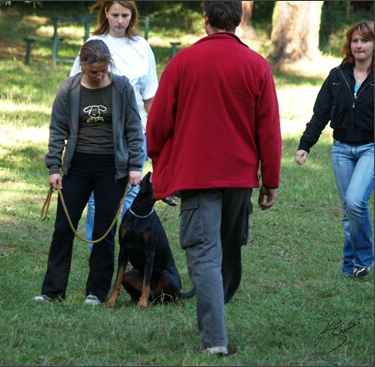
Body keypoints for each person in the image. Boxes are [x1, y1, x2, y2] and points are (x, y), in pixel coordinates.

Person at [146, 1, 281, 356]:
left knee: (207, 255)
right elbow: (269, 130)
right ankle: (216, 327)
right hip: (239, 177)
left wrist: (160, 164)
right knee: (226, 248)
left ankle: (215, 337)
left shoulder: (183, 62)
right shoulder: (257, 65)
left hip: (198, 175)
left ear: (205, 19)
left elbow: (157, 125)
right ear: (238, 19)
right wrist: (271, 180)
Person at [34, 39, 144, 306]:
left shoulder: (121, 88)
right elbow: (57, 131)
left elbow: (133, 128)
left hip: (112, 169)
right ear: (82, 65)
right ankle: (52, 291)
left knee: (104, 233)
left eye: (104, 70)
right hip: (77, 167)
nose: (99, 75)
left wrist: (134, 166)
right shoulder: (69, 89)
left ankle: (96, 292)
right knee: (63, 229)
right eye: (94, 70)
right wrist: (53, 167)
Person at [70, 1, 173, 251]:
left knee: (130, 191)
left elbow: (150, 96)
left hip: (133, 131)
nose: (120, 20)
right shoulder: (93, 45)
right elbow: (74, 89)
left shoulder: (141, 47)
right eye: (115, 14)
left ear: (132, 16)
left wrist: (160, 134)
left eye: (125, 15)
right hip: (98, 132)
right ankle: (99, 252)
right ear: (105, 13)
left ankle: (129, 249)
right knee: (97, 198)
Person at [295, 21, 374, 280]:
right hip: (341, 149)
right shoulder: (336, 76)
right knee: (348, 209)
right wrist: (305, 145)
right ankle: (350, 266)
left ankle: (363, 259)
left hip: (370, 149)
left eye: (365, 40)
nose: (359, 45)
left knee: (354, 202)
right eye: (355, 40)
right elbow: (320, 114)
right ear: (349, 45)